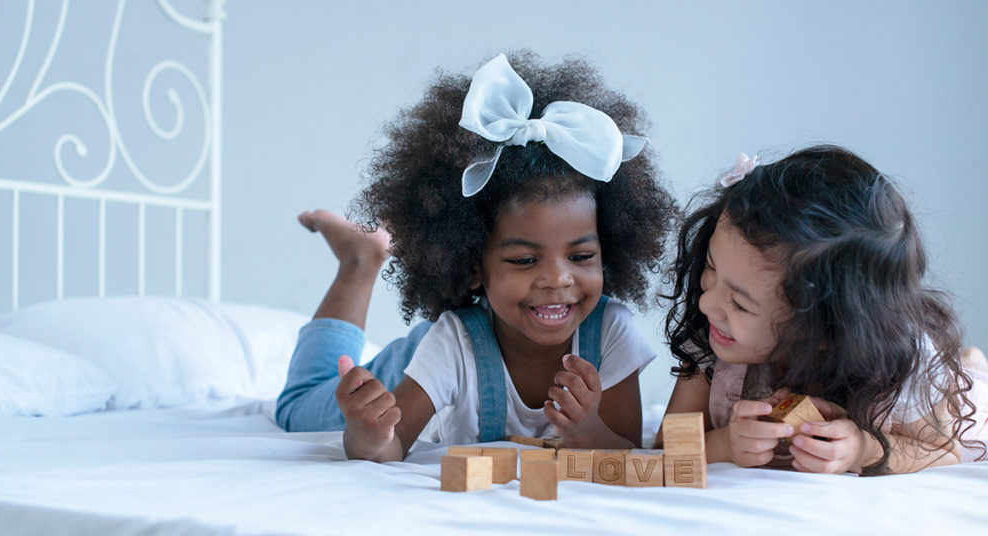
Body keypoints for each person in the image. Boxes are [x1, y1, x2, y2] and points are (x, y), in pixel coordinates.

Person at [275, 52, 677, 462]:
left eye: (581, 256)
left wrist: (588, 428)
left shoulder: (610, 334)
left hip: (485, 324)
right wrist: (370, 432)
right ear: (471, 266)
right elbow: (387, 447)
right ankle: (358, 263)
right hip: (426, 353)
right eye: (524, 260)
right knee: (296, 411)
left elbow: (629, 455)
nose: (558, 279)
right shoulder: (453, 343)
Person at [661, 145, 988, 475]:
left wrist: (863, 449)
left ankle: (970, 367)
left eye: (740, 305)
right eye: (711, 268)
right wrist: (724, 445)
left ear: (827, 331)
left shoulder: (899, 368)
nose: (707, 303)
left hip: (962, 412)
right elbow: (665, 445)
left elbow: (943, 452)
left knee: (972, 402)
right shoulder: (713, 335)